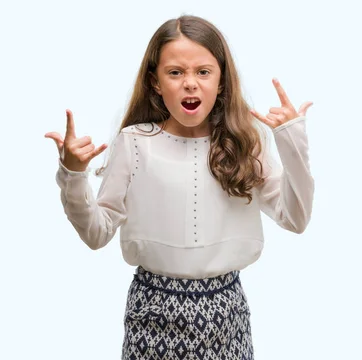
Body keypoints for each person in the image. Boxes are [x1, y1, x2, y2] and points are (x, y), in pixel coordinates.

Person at [45, 15, 314, 360]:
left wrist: (291, 141)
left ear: (221, 82)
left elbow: (296, 218)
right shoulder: (135, 142)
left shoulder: (245, 141)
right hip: (151, 313)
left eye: (203, 71)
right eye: (175, 72)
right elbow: (96, 233)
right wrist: (73, 174)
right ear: (155, 82)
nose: (190, 83)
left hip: (225, 315)